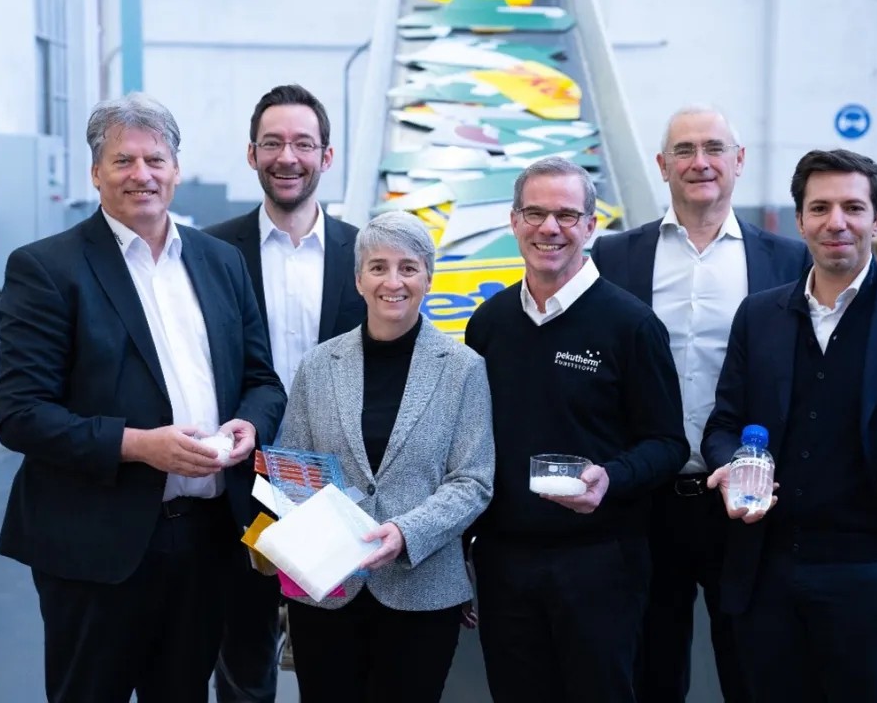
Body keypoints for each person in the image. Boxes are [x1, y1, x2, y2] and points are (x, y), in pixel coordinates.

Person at [0, 92, 287, 702]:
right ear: (95, 173)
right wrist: (138, 445)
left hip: (205, 538)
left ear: (176, 169)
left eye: (155, 159)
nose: (141, 174)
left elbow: (262, 381)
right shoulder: (47, 269)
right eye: (122, 160)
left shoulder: (221, 262)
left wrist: (248, 426)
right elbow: (21, 414)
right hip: (95, 543)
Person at [702, 149, 877, 702]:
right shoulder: (757, 316)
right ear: (800, 220)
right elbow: (724, 425)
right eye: (820, 208)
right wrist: (730, 465)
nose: (836, 222)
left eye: (853, 208)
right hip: (764, 578)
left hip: (876, 581)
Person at [590, 105, 809, 703]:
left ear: (739, 161)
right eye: (684, 150)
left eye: (714, 148)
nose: (700, 162)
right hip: (642, 499)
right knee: (649, 671)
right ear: (663, 166)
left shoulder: (787, 261)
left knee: (751, 666)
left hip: (745, 499)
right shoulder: (614, 257)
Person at [465, 156, 690, 703]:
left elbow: (668, 444)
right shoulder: (489, 324)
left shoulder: (631, 324)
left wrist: (610, 477)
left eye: (566, 215)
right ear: (514, 221)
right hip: (505, 562)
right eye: (535, 213)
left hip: (600, 562)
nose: (550, 228)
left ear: (590, 226)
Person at [278, 211, 495, 702]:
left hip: (422, 591)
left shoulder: (463, 368)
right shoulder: (318, 365)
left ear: (428, 278)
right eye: (378, 267)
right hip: (328, 590)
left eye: (408, 268)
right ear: (359, 279)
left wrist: (405, 532)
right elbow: (293, 470)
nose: (392, 282)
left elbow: (473, 481)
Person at [205, 83, 366, 703]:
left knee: (337, 662)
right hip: (239, 483)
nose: (287, 157)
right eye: (272, 143)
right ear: (252, 154)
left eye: (303, 143)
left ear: (327, 156)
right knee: (243, 663)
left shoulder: (366, 253)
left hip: (342, 486)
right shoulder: (208, 253)